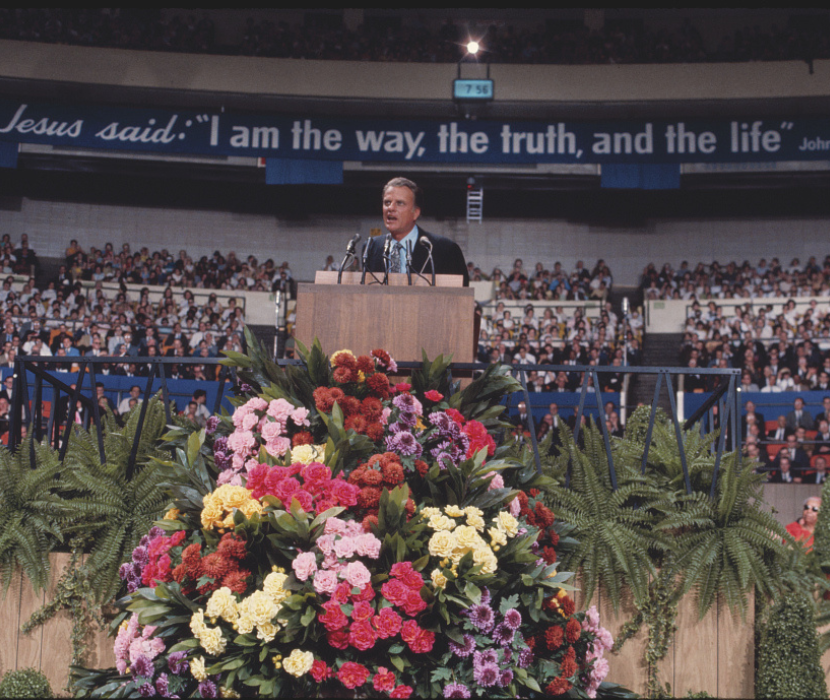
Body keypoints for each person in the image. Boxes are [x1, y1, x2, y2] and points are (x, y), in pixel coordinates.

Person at [365, 177, 469, 286]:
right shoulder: (371, 247)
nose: (390, 208)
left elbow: (460, 298)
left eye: (400, 203)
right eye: (387, 202)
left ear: (415, 213)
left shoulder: (445, 250)